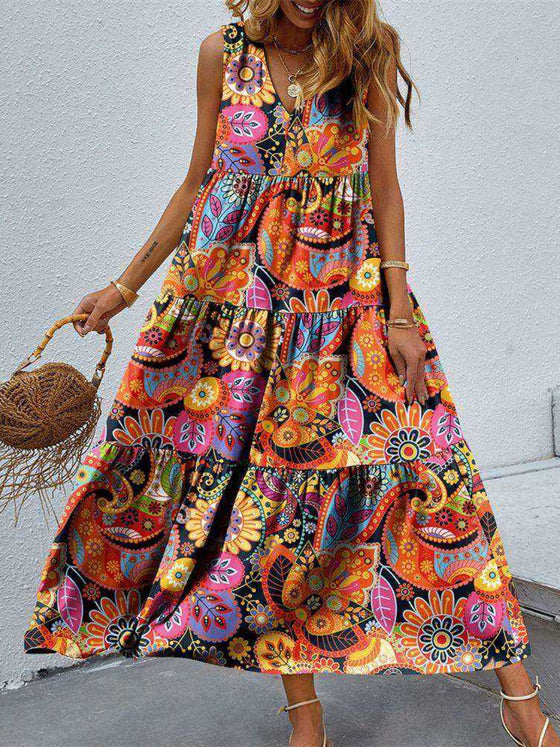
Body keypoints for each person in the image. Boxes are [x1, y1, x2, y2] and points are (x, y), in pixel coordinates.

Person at [24, 2, 557, 746]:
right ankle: (306, 721)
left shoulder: (365, 49)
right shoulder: (223, 54)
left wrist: (399, 312)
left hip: (348, 299)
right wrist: (122, 289)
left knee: (440, 481)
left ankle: (521, 701)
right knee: (268, 513)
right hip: (240, 315)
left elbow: (384, 189)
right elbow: (197, 185)